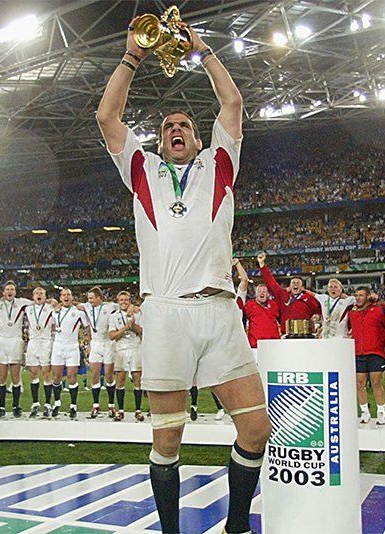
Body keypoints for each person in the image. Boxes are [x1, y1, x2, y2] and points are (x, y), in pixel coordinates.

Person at [97, 17, 271, 534]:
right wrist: (133, 55)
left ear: (199, 140)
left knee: (257, 429)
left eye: (186, 126)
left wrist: (202, 51)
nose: (177, 129)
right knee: (167, 438)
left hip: (219, 310)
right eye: (169, 125)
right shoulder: (141, 169)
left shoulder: (220, 163)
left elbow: (233, 105)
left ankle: (235, 525)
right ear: (159, 139)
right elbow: (107, 117)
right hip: (166, 311)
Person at [0, 281, 33, 418]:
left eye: (12, 289)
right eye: (7, 289)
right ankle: (1, 407)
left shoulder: (23, 302)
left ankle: (16, 406)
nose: (10, 291)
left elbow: (38, 301)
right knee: (1, 377)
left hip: (16, 341)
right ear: (3, 292)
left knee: (15, 376)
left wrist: (53, 302)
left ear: (15, 292)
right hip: (1, 341)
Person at [348, 287, 385, 424]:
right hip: (358, 352)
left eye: (361, 295)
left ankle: (381, 412)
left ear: (368, 297)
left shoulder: (379, 310)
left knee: (376, 382)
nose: (358, 298)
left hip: (375, 351)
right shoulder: (352, 313)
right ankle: (365, 411)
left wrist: (378, 301)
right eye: (357, 295)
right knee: (359, 384)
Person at [50, 288, 91, 419]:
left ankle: (73, 406)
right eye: (63, 295)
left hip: (72, 347)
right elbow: (52, 327)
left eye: (68, 294)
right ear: (60, 297)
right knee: (56, 377)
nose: (66, 297)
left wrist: (89, 343)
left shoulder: (78, 312)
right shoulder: (55, 312)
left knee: (72, 377)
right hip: (57, 347)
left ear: (72, 297)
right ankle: (57, 403)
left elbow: (87, 327)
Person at [82, 286, 120, 419]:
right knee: (94, 375)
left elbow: (123, 305)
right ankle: (96, 405)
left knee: (109, 376)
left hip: (108, 344)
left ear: (99, 297)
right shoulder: (87, 306)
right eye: (88, 298)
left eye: (91, 298)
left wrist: (134, 308)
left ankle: (111, 405)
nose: (89, 300)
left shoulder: (110, 307)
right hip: (96, 344)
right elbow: (74, 304)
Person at [257, 252, 320, 331]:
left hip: (304, 334)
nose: (295, 284)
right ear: (290, 286)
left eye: (298, 283)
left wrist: (317, 315)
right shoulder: (283, 295)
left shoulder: (309, 298)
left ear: (302, 287)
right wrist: (262, 264)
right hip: (286, 333)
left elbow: (319, 310)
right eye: (293, 283)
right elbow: (271, 283)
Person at [108, 291, 143, 422]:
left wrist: (133, 325)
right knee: (120, 379)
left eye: (126, 300)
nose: (124, 302)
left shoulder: (137, 313)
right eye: (121, 299)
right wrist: (125, 328)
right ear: (118, 301)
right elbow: (111, 335)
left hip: (136, 348)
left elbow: (142, 332)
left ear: (130, 301)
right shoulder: (113, 316)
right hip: (121, 349)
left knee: (137, 379)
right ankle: (121, 410)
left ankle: (138, 410)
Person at [23, 287, 56, 417]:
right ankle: (35, 403)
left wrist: (50, 301)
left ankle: (48, 404)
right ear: (32, 296)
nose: (39, 295)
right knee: (33, 373)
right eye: (36, 293)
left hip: (46, 341)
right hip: (32, 342)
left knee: (46, 373)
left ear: (45, 295)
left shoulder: (51, 307)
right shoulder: (28, 308)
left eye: (41, 293)